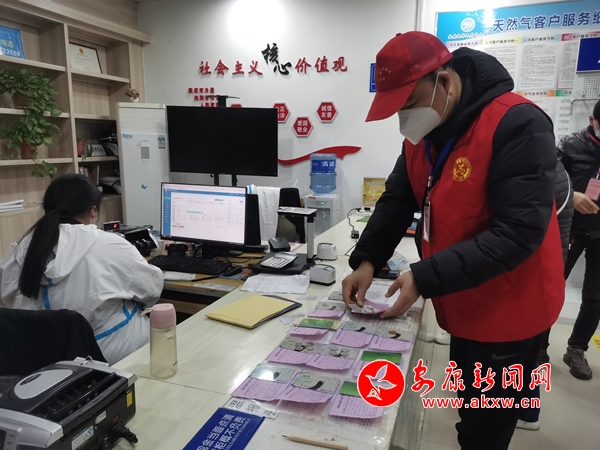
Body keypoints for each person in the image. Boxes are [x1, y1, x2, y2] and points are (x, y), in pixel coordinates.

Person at [342, 32, 564, 450]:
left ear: (443, 81)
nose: (405, 118)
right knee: (470, 403)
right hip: (460, 293)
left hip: (510, 305)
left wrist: (424, 276)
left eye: (409, 104)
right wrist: (367, 260)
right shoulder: (425, 132)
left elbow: (519, 231)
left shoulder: (517, 123)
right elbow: (398, 198)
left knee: (483, 431)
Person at [0, 174, 163, 365]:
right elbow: (151, 289)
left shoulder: (21, 249)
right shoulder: (109, 244)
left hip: (42, 361)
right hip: (107, 354)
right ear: (93, 211)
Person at [517, 158, 574, 430]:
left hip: (533, 278)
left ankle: (527, 413)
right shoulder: (553, 167)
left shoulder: (542, 170)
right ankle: (527, 411)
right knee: (528, 352)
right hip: (542, 277)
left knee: (524, 352)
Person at [557, 99, 600, 381]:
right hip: (569, 229)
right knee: (551, 287)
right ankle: (538, 345)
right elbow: (545, 180)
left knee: (595, 297)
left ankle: (576, 349)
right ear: (592, 121)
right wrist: (572, 196)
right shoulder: (569, 145)